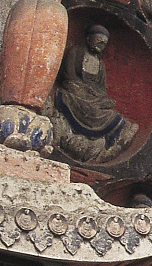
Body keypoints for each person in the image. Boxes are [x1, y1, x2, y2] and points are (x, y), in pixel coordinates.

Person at [53, 24, 140, 165]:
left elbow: (101, 88)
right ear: (88, 39)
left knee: (109, 106)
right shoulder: (75, 52)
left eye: (104, 43)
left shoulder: (100, 63)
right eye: (99, 40)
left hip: (92, 97)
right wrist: (84, 89)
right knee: (72, 93)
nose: (101, 45)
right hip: (76, 90)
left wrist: (97, 94)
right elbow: (68, 76)